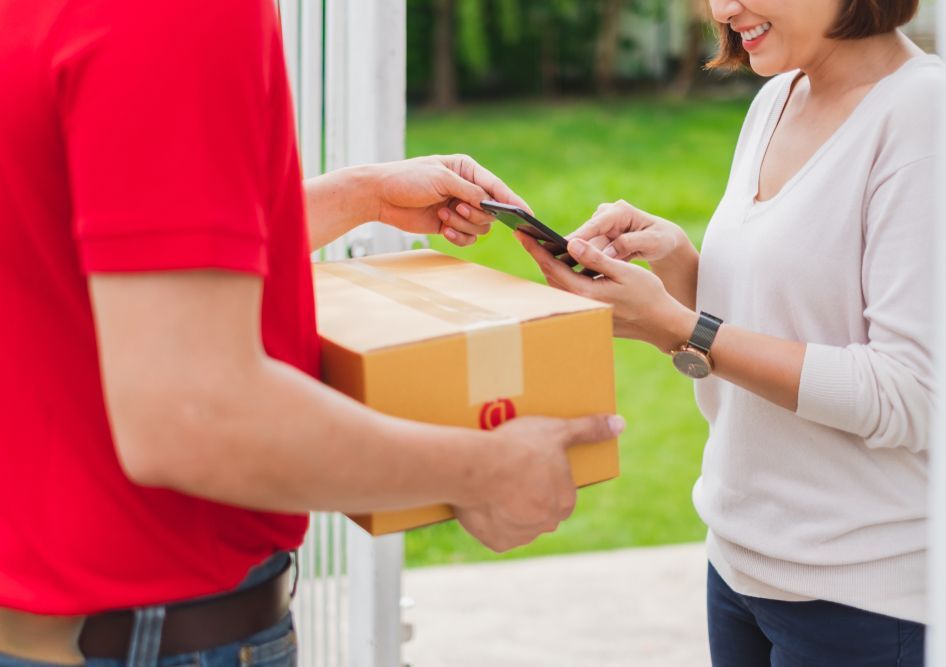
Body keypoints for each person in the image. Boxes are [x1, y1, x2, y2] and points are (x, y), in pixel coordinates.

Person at [0, 0, 625, 664]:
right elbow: (193, 413)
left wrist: (363, 194)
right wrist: (488, 469)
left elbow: (80, 249)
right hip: (155, 631)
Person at [520, 0, 936, 664]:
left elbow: (909, 393)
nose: (721, 8)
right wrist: (681, 265)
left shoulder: (924, 117)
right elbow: (779, 324)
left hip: (861, 601)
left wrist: (680, 325)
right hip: (740, 566)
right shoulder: (778, 97)